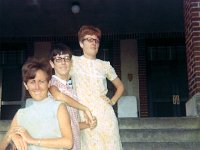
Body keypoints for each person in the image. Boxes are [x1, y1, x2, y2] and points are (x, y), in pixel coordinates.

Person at [50, 25, 124, 150]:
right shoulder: (73, 61)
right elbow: (60, 78)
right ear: (81, 43)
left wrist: (112, 101)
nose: (93, 43)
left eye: (96, 40)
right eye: (89, 39)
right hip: (84, 116)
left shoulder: (104, 65)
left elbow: (120, 86)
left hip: (106, 116)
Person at [0, 57, 73, 150]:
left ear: (48, 83)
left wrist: (33, 140)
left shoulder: (59, 107)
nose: (37, 87)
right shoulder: (21, 113)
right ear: (26, 85)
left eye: (41, 81)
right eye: (32, 82)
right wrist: (11, 136)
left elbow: (68, 142)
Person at [49, 44, 97, 150]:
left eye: (66, 58)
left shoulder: (71, 90)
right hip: (59, 144)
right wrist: (84, 108)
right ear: (52, 63)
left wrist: (87, 124)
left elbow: (72, 124)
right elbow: (58, 96)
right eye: (58, 59)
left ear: (71, 62)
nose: (63, 62)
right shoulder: (51, 84)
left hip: (75, 145)